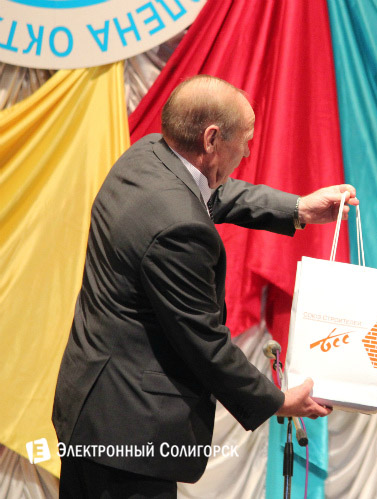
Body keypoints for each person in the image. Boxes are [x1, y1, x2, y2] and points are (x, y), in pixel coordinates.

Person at [52, 75, 356, 497]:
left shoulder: (146, 156)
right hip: (130, 436)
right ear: (211, 139)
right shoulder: (179, 228)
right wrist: (277, 400)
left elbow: (211, 192)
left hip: (90, 408)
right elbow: (204, 343)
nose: (247, 151)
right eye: (245, 140)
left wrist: (297, 208)